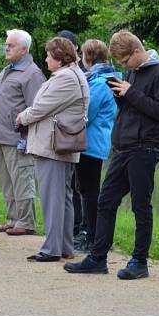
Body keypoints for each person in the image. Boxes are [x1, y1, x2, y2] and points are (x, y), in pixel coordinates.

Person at [64, 30, 159, 279]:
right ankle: (98, 257)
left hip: (144, 148)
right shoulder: (133, 72)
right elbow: (134, 106)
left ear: (136, 51)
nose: (124, 66)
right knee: (105, 201)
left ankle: (139, 261)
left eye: (125, 61)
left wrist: (131, 93)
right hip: (123, 147)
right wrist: (121, 96)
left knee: (140, 205)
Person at [16, 37, 89, 262]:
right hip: (59, 145)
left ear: (59, 57)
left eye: (49, 55)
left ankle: (51, 249)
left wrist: (23, 117)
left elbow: (42, 107)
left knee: (53, 198)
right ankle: (64, 246)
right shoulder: (71, 74)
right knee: (63, 197)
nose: (46, 59)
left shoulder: (66, 78)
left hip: (53, 146)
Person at [0, 29, 45, 236]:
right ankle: (13, 218)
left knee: (22, 180)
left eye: (11, 45)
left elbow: (37, 108)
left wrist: (26, 133)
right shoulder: (7, 70)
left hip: (17, 138)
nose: (6, 47)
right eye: (6, 44)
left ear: (24, 49)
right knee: (7, 182)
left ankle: (26, 222)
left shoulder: (32, 74)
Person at [73, 39, 119, 252]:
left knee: (89, 192)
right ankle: (87, 232)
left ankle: (92, 235)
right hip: (91, 142)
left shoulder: (100, 83)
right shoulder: (102, 78)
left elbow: (86, 113)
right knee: (84, 189)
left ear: (88, 57)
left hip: (91, 143)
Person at [57, 29, 87, 244]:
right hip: (66, 135)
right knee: (71, 185)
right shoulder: (61, 72)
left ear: (75, 48)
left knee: (79, 187)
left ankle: (80, 228)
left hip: (77, 136)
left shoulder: (80, 72)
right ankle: (73, 228)